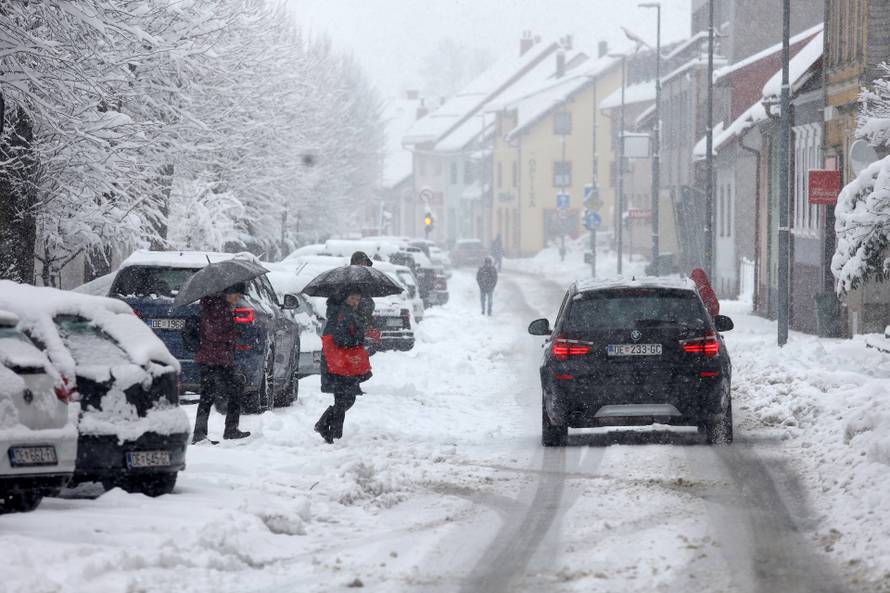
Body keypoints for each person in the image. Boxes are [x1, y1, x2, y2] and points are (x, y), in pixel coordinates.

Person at [192, 282, 251, 443]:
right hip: (214, 359)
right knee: (222, 392)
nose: (238, 298)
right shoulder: (217, 308)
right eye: (237, 295)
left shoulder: (218, 306)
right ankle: (224, 430)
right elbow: (213, 333)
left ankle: (205, 432)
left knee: (211, 394)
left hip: (216, 358)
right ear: (229, 293)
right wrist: (233, 334)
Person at [315, 289, 372, 443]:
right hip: (340, 363)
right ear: (345, 298)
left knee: (345, 399)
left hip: (343, 364)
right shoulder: (341, 314)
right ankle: (332, 432)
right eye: (352, 298)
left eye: (358, 299)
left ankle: (326, 427)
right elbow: (341, 339)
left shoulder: (347, 313)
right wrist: (357, 339)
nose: (355, 302)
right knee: (344, 399)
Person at [350, 251, 380, 348]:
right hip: (352, 329)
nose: (364, 265)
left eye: (365, 263)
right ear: (355, 264)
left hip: (363, 330)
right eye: (361, 263)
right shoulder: (349, 281)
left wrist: (371, 326)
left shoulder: (366, 282)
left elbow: (367, 306)